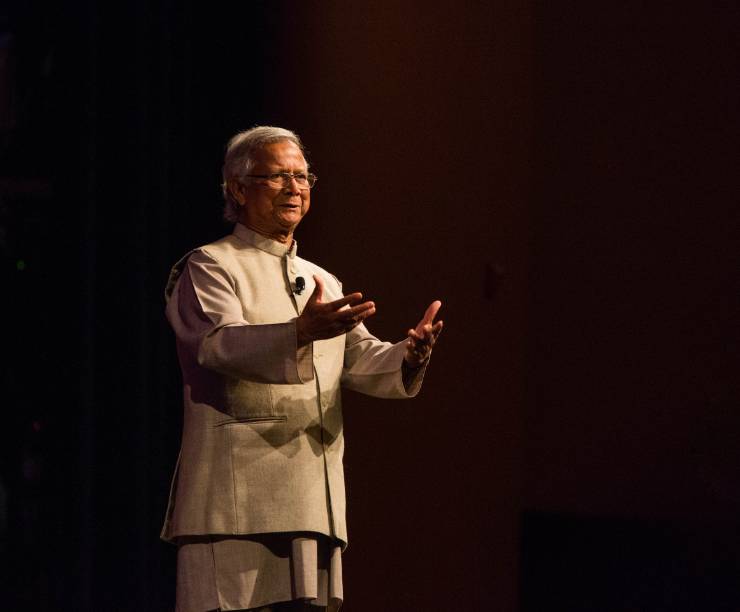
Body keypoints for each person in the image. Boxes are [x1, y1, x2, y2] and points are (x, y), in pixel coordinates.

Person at [162, 126, 443, 612]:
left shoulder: (321, 279)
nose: (295, 187)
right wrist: (298, 332)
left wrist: (409, 354)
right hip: (234, 499)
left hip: (311, 497)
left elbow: (359, 359)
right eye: (278, 176)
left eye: (302, 176)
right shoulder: (209, 265)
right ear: (238, 189)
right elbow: (215, 345)